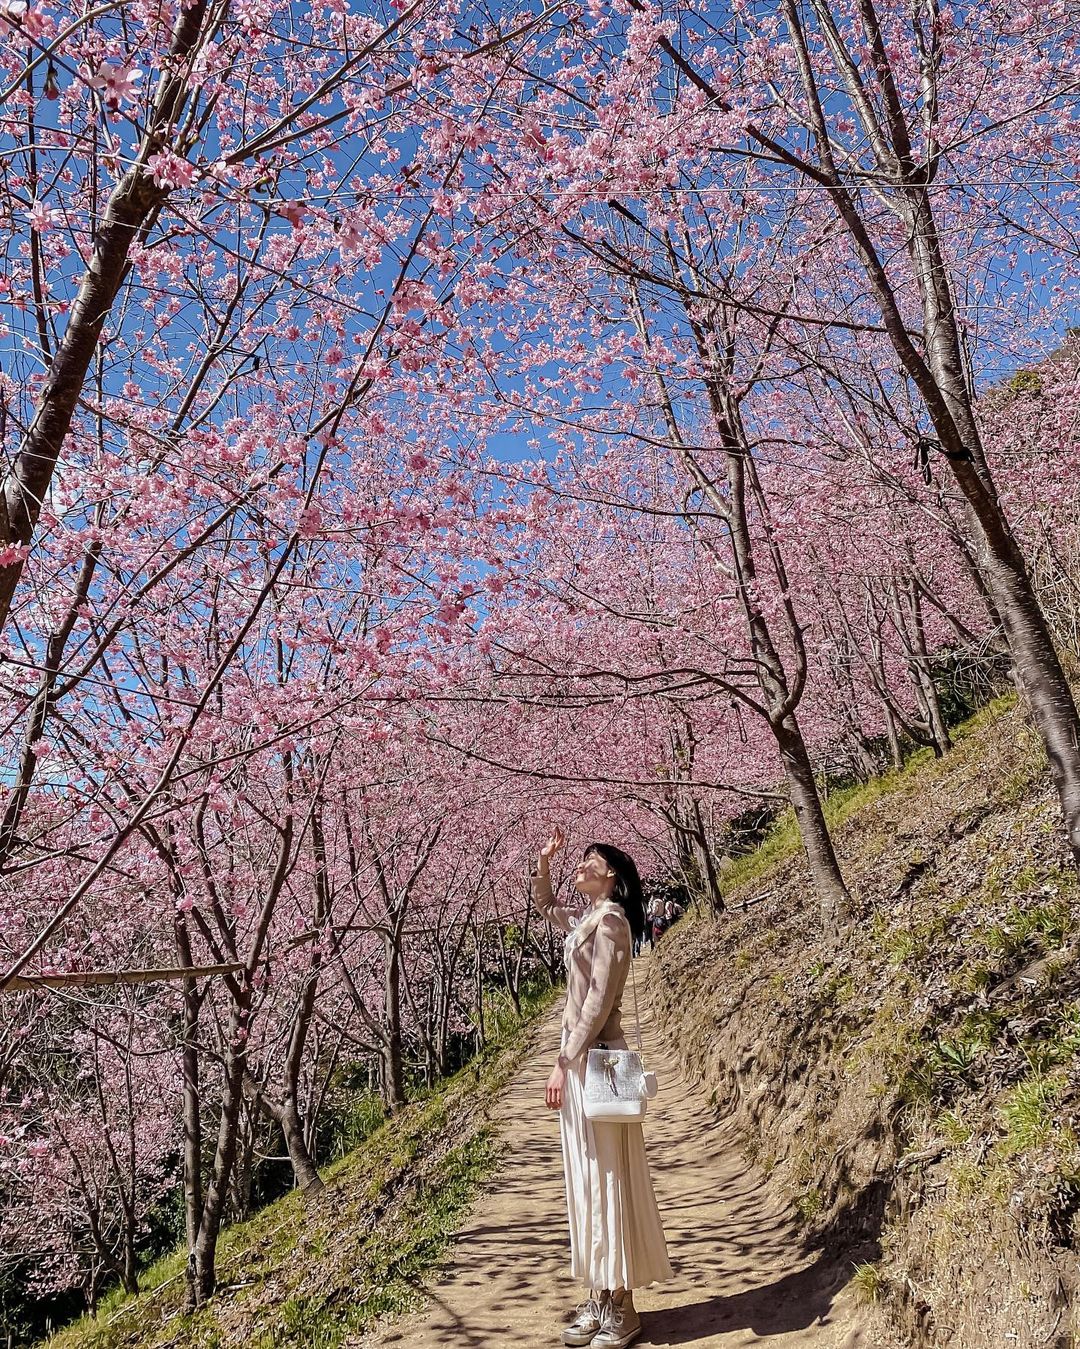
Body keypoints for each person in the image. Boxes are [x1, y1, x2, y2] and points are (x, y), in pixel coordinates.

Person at [531, 826, 672, 1349]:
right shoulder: (588, 919)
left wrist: (563, 1061)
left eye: (590, 860)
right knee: (586, 1180)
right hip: (581, 1063)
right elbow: (546, 906)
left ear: (610, 873)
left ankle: (623, 1306)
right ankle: (599, 1296)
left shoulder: (611, 922)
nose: (581, 865)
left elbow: (598, 1000)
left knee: (609, 1179)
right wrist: (544, 861)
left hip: (597, 1063)